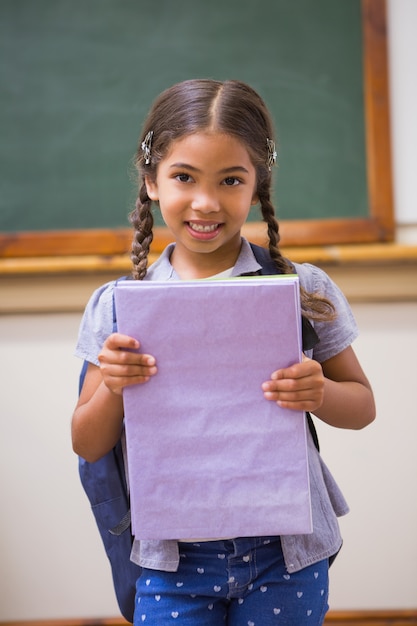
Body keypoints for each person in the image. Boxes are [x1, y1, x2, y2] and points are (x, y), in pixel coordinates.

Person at [72, 79, 375, 625]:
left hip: (286, 556)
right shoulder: (119, 305)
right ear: (152, 182)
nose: (206, 202)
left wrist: (319, 391)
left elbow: (362, 406)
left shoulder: (302, 289)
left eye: (231, 180)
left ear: (257, 185)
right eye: (183, 177)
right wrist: (115, 385)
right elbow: (86, 442)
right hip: (173, 562)